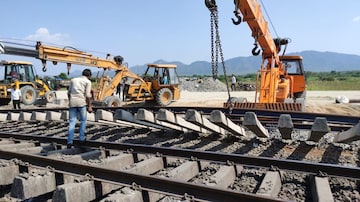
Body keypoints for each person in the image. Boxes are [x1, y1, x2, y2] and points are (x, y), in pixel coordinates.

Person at [67, 69, 93, 149]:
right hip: (81, 103)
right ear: (89, 76)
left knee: (72, 122)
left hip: (72, 102)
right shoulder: (88, 82)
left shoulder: (73, 80)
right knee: (83, 121)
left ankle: (69, 142)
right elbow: (88, 96)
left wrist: (70, 101)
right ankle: (81, 139)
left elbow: (68, 93)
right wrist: (89, 106)